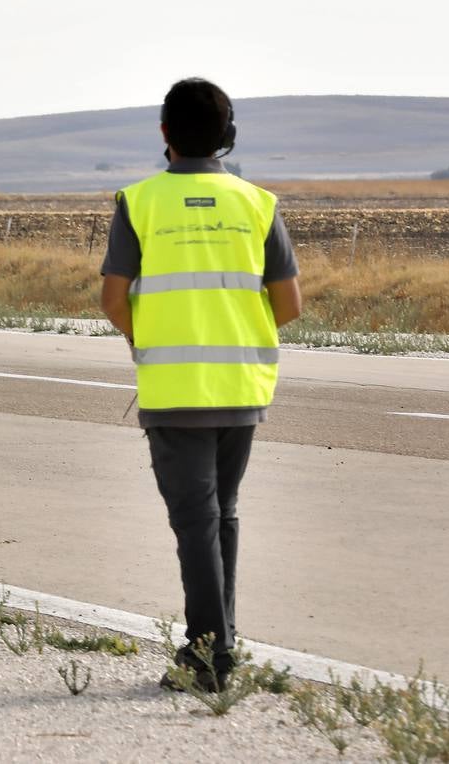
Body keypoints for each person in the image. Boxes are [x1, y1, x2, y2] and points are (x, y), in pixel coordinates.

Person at [99, 78, 303, 691]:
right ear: (228, 135)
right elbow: (289, 304)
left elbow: (113, 298)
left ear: (164, 133)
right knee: (223, 513)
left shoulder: (139, 203)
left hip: (173, 388)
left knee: (196, 521)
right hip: (241, 385)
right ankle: (224, 642)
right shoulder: (258, 204)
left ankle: (208, 658)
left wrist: (149, 339)